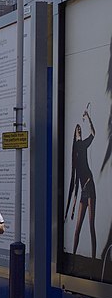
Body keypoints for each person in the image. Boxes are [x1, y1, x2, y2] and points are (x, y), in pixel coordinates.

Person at [66, 108, 97, 259]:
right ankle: (72, 257)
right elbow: (74, 181)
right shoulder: (75, 151)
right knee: (78, 227)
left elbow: (93, 134)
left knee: (91, 225)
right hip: (83, 191)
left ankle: (93, 259)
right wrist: (72, 206)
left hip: (89, 186)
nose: (79, 130)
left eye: (80, 129)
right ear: (74, 133)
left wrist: (88, 117)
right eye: (77, 129)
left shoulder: (83, 145)